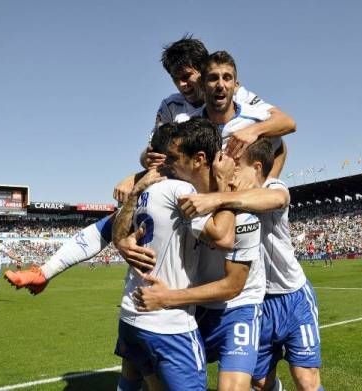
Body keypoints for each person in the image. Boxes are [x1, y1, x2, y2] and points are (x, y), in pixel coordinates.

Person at [159, 139, 323, 390]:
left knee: (306, 379)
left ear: (257, 168)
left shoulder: (272, 186)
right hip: (259, 301)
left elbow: (276, 198)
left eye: (238, 165)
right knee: (259, 381)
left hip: (292, 296)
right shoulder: (230, 195)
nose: (231, 169)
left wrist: (220, 198)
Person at [113, 119, 237, 390]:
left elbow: (117, 236)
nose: (170, 164)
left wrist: (133, 188)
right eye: (169, 157)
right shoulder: (181, 190)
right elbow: (225, 237)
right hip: (168, 322)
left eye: (173, 157)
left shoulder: (145, 189)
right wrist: (226, 187)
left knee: (135, 381)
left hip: (130, 314)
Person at [113, 36, 296, 203]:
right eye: (175, 79)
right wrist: (139, 171)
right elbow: (152, 154)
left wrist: (264, 180)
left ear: (202, 71)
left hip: (230, 191)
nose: (182, 85)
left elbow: (284, 127)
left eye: (186, 77)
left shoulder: (236, 94)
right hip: (194, 189)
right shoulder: (170, 107)